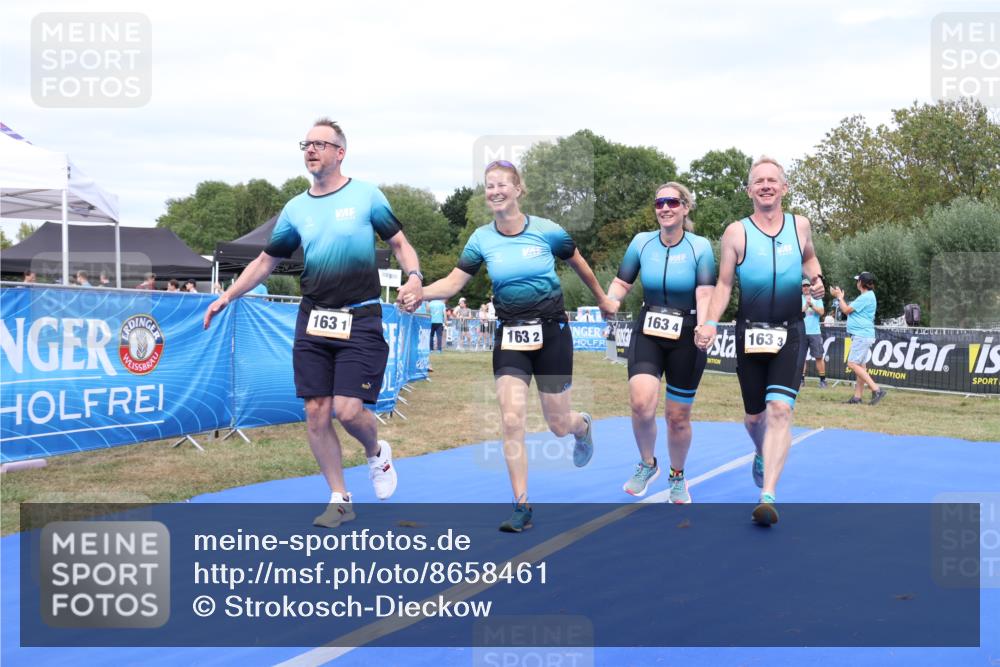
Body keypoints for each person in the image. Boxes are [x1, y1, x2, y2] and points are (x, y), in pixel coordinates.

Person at [203, 118, 424, 528]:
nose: (311, 150)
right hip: (314, 319)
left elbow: (400, 244)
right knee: (316, 411)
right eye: (306, 143)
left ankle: (377, 453)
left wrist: (414, 278)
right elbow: (266, 260)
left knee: (348, 409)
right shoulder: (295, 209)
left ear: (340, 153)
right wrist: (227, 295)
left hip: (359, 317)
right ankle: (340, 497)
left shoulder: (366, 196)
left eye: (321, 144)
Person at [411, 160, 614, 532]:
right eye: (489, 185)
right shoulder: (481, 239)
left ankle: (580, 426)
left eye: (503, 184)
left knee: (556, 424)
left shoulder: (547, 231)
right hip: (510, 336)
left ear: (518, 190)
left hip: (552, 333)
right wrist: (419, 293)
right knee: (510, 418)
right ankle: (522, 505)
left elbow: (580, 264)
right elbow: (455, 283)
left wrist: (602, 298)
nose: (495, 191)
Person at [695, 156, 825, 526]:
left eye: (772, 180)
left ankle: (767, 495)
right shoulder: (736, 233)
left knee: (780, 410)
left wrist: (816, 279)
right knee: (755, 419)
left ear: (784, 187)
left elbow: (811, 260)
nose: (766, 185)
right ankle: (760, 450)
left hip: (790, 331)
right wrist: (708, 323)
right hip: (749, 332)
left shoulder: (800, 225)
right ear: (750, 190)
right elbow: (723, 285)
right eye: (759, 181)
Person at [606, 182, 715, 503]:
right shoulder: (641, 243)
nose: (665, 208)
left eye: (672, 202)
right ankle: (647, 463)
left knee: (677, 417)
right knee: (641, 404)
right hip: (648, 329)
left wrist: (706, 325)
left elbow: (705, 291)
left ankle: (677, 476)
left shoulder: (700, 247)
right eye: (659, 203)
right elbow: (622, 282)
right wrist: (611, 302)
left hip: (687, 334)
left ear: (685, 208)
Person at [831, 272, 886, 406]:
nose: (856, 282)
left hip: (862, 335)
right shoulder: (867, 296)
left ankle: (877, 390)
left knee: (852, 364)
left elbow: (846, 310)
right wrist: (841, 298)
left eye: (858, 281)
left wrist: (839, 297)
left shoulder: (865, 297)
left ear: (861, 283)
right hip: (863, 335)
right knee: (860, 367)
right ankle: (857, 397)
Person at [801, 278, 827, 388]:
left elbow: (821, 312)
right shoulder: (797, 299)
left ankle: (822, 380)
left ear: (811, 287)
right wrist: (806, 306)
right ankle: (801, 380)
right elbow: (796, 313)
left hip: (815, 332)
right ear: (801, 288)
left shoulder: (817, 298)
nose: (806, 288)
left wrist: (811, 305)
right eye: (804, 286)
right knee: (801, 357)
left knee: (819, 357)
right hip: (801, 332)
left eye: (808, 286)